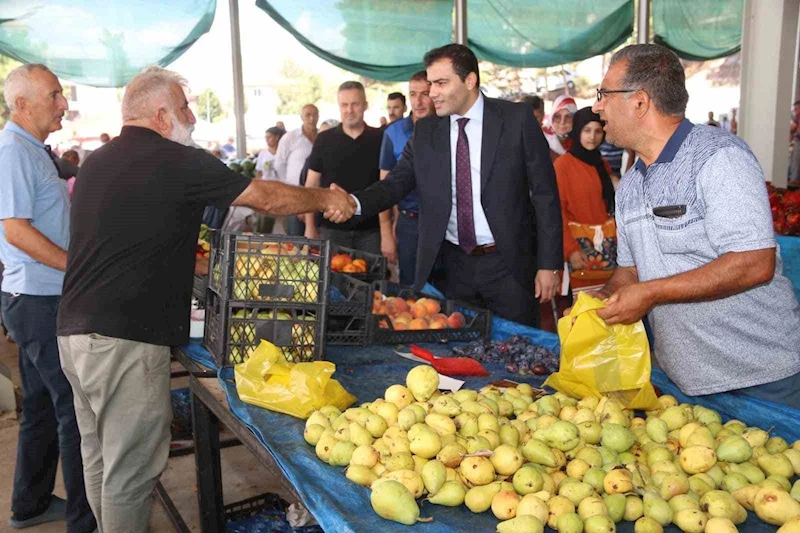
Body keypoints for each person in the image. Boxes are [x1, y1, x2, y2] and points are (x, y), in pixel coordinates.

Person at [55, 66, 354, 533]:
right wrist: (325, 199)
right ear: (160, 115)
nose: (192, 116)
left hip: (75, 334)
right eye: (184, 107)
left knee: (101, 460)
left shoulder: (99, 160)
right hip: (124, 340)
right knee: (131, 473)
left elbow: (134, 241)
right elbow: (267, 199)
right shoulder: (175, 159)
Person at [590, 44, 800, 406]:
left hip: (761, 377)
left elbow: (755, 262)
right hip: (685, 381)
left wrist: (652, 292)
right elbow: (631, 270)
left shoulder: (719, 158)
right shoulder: (630, 186)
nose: (596, 107)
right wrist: (605, 299)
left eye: (604, 94)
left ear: (639, 102)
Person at [353, 44, 562, 326]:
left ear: (470, 80)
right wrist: (353, 203)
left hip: (509, 265)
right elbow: (395, 183)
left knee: (518, 352)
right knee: (459, 355)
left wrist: (548, 265)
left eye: (441, 83)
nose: (432, 93)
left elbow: (545, 195)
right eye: (430, 84)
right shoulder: (427, 130)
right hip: (451, 267)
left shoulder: (516, 120)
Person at [0, 64, 96, 533]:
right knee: (75, 411)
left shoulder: (33, 150)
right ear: (22, 104)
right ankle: (86, 520)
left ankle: (30, 504)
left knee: (38, 406)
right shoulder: (12, 151)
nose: (63, 103)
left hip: (36, 297)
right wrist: (76, 266)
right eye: (54, 95)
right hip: (40, 302)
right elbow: (14, 229)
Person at [304, 81, 384, 255]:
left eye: (355, 104)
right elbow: (311, 185)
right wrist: (309, 227)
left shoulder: (380, 138)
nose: (350, 110)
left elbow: (388, 186)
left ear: (365, 105)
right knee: (331, 280)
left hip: (371, 231)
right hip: (332, 230)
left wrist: (388, 232)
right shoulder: (324, 140)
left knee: (373, 280)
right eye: (344, 105)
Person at [378, 71, 436, 285]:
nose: (418, 101)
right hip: (409, 223)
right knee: (411, 290)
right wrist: (386, 231)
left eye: (425, 94)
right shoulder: (393, 133)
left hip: (446, 223)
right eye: (413, 94)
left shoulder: (450, 126)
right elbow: (385, 186)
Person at [554, 107, 617, 272]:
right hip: (579, 248)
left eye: (598, 131)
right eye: (587, 130)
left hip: (607, 245)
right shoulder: (563, 166)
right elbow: (556, 211)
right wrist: (571, 249)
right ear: (577, 131)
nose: (592, 137)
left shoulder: (601, 163)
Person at [274, 104, 319, 236]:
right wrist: (289, 188)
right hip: (294, 196)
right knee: (296, 242)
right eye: (307, 115)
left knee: (317, 242)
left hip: (318, 197)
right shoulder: (290, 138)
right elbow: (279, 165)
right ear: (301, 117)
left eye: (314, 115)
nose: (311, 119)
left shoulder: (323, 137)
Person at [542, 94, 577, 158]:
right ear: (551, 117)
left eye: (568, 117)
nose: (562, 122)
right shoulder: (541, 137)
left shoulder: (581, 139)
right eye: (557, 117)